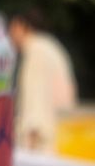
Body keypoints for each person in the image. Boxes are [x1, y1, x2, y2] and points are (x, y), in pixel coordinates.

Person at [7, 9, 77, 153]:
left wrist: (30, 150)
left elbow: (35, 108)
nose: (10, 35)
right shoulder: (49, 46)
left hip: (43, 148)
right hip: (62, 137)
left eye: (11, 28)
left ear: (21, 26)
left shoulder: (36, 50)